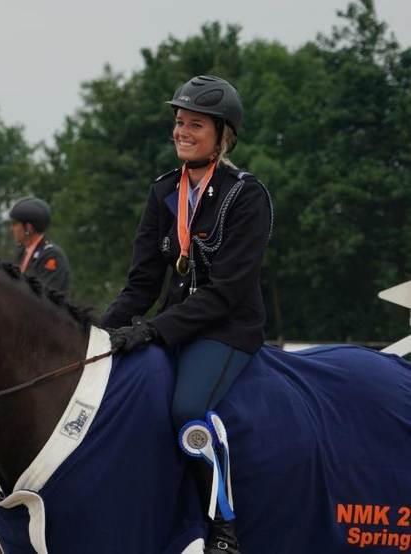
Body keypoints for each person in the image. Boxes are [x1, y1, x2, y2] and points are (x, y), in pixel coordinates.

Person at [101, 75, 273, 553]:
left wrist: (155, 330)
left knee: (187, 409)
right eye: (180, 122)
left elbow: (227, 292)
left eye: (196, 124)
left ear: (223, 135)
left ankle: (223, 526)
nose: (182, 131)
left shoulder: (246, 195)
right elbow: (141, 284)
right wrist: (95, 333)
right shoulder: (163, 192)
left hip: (226, 329)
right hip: (172, 325)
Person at [9, 197, 70, 294]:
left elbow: (44, 296)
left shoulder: (52, 256)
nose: (11, 229)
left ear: (28, 228)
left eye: (15, 224)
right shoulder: (21, 253)